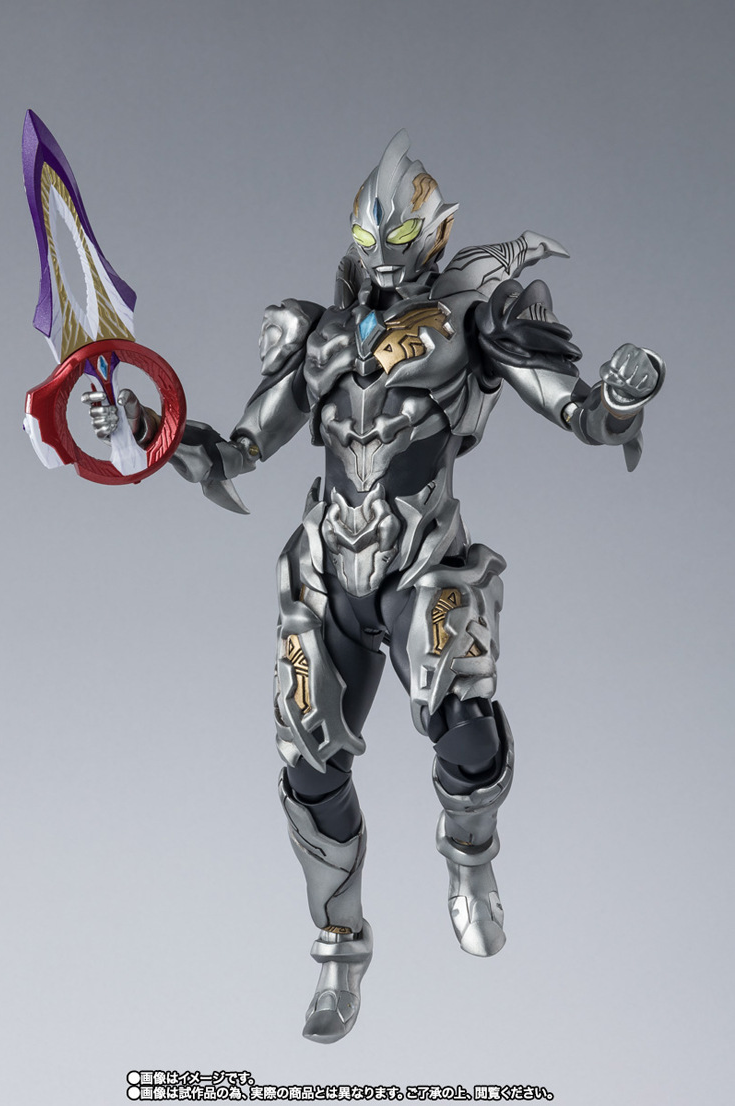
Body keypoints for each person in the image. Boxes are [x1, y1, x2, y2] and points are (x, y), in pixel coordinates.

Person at [85, 130, 664, 1043]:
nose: (384, 262)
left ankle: (470, 861)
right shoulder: (316, 335)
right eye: (370, 243)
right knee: (309, 770)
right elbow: (238, 449)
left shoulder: (475, 317)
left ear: (435, 236)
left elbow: (580, 413)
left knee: (466, 731)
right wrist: (144, 426)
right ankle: (339, 953)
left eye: (400, 243)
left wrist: (621, 399)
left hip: (422, 559)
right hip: (326, 569)